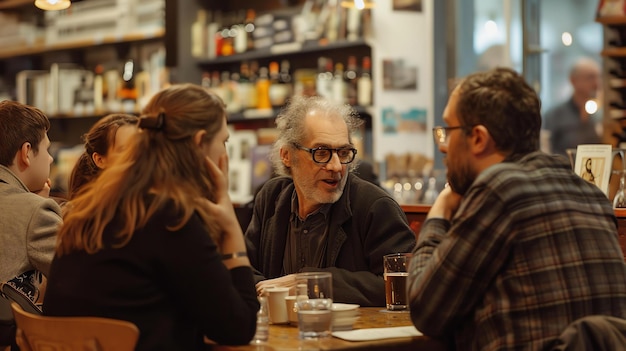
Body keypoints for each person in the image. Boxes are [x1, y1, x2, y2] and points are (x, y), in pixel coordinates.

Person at [408, 67, 626, 350]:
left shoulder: (500, 189)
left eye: (448, 130)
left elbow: (427, 309)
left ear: (478, 138)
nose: (443, 146)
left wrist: (440, 210)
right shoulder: (590, 194)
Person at [43, 84, 259, 350]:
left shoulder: (95, 207)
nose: (224, 154)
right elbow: (238, 327)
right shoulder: (170, 219)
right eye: (223, 141)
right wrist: (231, 230)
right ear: (200, 142)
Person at [245, 95, 416, 307]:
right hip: (280, 334)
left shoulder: (375, 206)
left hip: (353, 336)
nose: (336, 166)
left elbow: (404, 285)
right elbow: (244, 269)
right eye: (322, 152)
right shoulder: (272, 198)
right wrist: (266, 293)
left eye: (343, 153)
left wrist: (309, 284)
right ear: (287, 155)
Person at [0, 100, 60, 299]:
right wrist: (34, 207)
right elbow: (79, 279)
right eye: (46, 149)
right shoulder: (37, 212)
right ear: (26, 152)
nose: (50, 159)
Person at [67, 113, 138, 199]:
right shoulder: (94, 207)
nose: (136, 155)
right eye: (125, 150)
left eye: (140, 148)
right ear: (99, 160)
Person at [543, 57, 602, 157]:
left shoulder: (599, 115)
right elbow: (545, 151)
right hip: (563, 171)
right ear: (573, 80)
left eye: (598, 77)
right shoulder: (554, 115)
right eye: (590, 77)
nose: (596, 84)